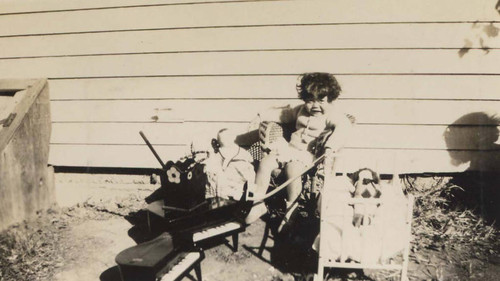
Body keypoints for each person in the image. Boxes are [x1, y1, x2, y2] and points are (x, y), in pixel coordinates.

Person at [245, 72, 353, 230]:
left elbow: (343, 128)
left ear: (331, 99)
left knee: (293, 169)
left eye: (321, 100)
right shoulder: (300, 111)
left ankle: (291, 210)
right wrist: (262, 116)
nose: (315, 106)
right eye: (310, 101)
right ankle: (258, 202)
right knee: (265, 162)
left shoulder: (333, 116)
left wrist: (330, 147)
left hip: (309, 156)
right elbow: (282, 114)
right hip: (289, 149)